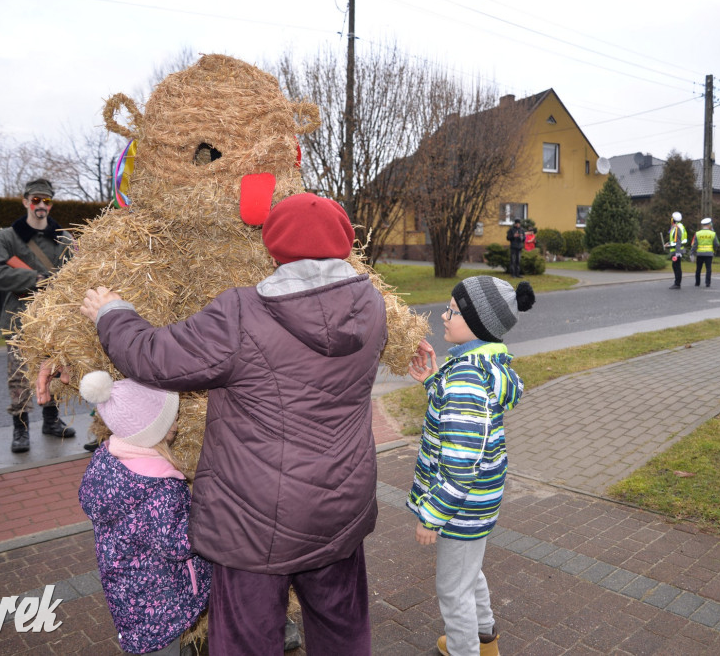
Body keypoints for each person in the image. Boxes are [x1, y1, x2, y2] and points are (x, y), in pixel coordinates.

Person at [78, 193, 387, 656]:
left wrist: (111, 313)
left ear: (272, 245)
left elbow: (154, 357)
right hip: (341, 504)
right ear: (346, 241)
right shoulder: (372, 306)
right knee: (342, 628)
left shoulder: (242, 314)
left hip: (254, 520)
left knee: (246, 639)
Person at [407, 275, 535, 656]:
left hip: (460, 507)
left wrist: (432, 513)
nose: (444, 316)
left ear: (480, 324)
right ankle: (485, 639)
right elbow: (462, 416)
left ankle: (465, 650)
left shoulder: (465, 375)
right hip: (478, 504)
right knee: (468, 572)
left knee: (453, 588)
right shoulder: (481, 367)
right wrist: (434, 383)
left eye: (454, 311)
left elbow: (462, 463)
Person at [78, 370, 211, 656]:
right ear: (157, 429)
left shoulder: (106, 463)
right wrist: (209, 516)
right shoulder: (160, 487)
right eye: (172, 417)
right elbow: (178, 545)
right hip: (161, 599)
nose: (177, 421)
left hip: (129, 593)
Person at [0, 178, 76, 453]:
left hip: (53, 318)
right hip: (19, 317)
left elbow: (77, 274)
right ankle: (20, 429)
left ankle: (51, 420)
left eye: (46, 201)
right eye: (35, 200)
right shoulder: (8, 237)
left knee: (56, 371)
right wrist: (31, 278)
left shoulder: (63, 237)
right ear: (25, 201)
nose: (40, 205)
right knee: (19, 375)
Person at [691, 217, 720, 287]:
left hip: (700, 254)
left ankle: (697, 283)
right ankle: (707, 283)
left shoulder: (698, 233)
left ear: (703, 225)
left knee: (698, 269)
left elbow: (694, 245)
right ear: (709, 225)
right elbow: (717, 244)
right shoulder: (713, 233)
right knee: (708, 269)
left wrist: (692, 253)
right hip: (709, 254)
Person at [665, 211, 687, 289]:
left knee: (676, 267)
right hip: (677, 250)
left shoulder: (677, 228)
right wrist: (668, 244)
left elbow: (678, 241)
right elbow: (674, 240)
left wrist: (677, 253)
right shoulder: (678, 227)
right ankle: (677, 283)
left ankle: (677, 284)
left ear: (673, 220)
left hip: (677, 251)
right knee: (676, 266)